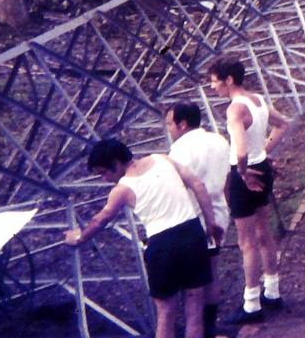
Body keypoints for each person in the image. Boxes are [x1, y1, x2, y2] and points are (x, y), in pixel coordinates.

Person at [64, 138, 221, 338]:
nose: (104, 179)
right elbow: (197, 184)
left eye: (104, 172)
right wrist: (210, 222)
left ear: (116, 163)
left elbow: (100, 220)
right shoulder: (163, 159)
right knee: (194, 308)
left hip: (163, 245)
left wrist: (79, 238)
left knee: (165, 313)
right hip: (192, 234)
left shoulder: (122, 189)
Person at [207, 55, 291, 324]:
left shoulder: (235, 110)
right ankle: (272, 291)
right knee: (264, 231)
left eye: (214, 82)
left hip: (245, 175)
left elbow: (240, 151)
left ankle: (251, 304)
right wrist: (263, 154)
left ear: (228, 80)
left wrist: (242, 173)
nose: (212, 88)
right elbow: (283, 124)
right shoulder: (257, 100)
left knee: (247, 242)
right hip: (262, 169)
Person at [167, 103, 231, 338]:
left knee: (192, 282)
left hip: (192, 218)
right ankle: (210, 327)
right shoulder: (220, 141)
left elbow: (178, 186)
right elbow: (227, 178)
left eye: (170, 124)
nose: (169, 129)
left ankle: (195, 329)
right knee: (213, 270)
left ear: (182, 123)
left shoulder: (180, 150)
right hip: (219, 212)